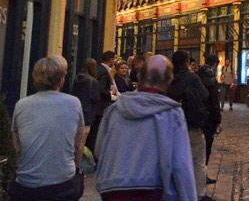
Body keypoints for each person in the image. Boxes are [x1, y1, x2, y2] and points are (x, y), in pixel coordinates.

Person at [94, 55, 197, 201]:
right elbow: (181, 165)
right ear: (169, 80)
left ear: (140, 77)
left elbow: (99, 150)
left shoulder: (115, 110)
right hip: (152, 191)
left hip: (113, 189)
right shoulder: (171, 114)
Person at [9, 56, 85, 201]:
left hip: (26, 185)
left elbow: (17, 147)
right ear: (61, 79)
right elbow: (78, 145)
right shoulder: (74, 103)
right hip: (63, 184)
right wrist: (77, 170)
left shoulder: (21, 105)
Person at [166, 51, 210, 200]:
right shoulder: (192, 77)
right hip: (191, 125)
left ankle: (175, 192)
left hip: (170, 127)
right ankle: (198, 194)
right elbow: (205, 95)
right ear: (186, 62)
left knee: (173, 162)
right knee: (197, 161)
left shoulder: (168, 78)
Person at [197, 54, 223, 168]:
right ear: (215, 65)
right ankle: (203, 170)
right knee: (207, 145)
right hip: (209, 118)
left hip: (196, 115)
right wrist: (218, 120)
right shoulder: (212, 80)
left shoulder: (196, 76)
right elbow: (214, 103)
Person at [71, 59, 100, 143]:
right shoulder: (93, 81)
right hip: (88, 114)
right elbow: (96, 98)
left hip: (76, 112)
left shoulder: (77, 78)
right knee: (82, 141)